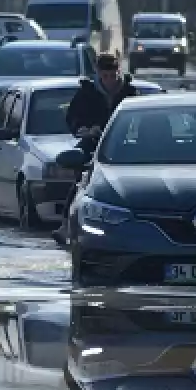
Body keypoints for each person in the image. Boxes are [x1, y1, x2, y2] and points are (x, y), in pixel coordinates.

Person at [51, 52, 138, 246]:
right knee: (81, 181)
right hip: (93, 143)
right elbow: (73, 118)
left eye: (112, 75)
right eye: (104, 76)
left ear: (119, 71)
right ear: (98, 73)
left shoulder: (130, 93)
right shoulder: (86, 93)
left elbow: (142, 122)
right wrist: (83, 129)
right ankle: (66, 225)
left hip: (126, 147)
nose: (109, 81)